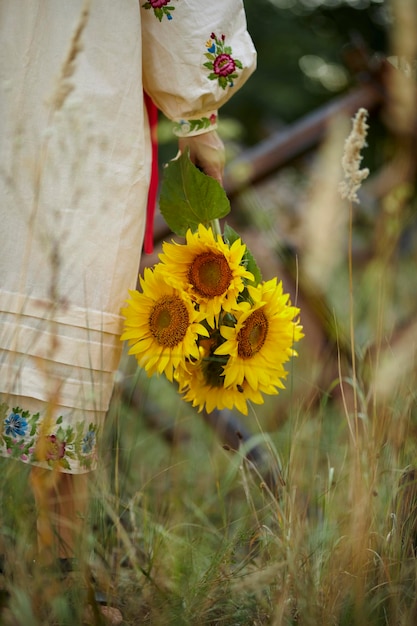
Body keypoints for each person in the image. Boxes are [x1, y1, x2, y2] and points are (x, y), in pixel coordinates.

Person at [0, 0, 256, 619]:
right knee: (67, 304)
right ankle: (56, 570)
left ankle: (53, 568)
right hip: (79, 85)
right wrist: (200, 123)